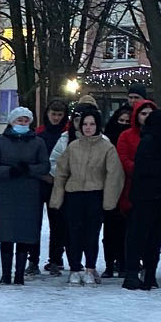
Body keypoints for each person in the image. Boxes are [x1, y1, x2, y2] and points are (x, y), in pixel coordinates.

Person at [49, 106, 123, 284]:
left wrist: (109, 200)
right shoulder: (73, 146)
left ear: (98, 125)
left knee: (92, 233)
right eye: (85, 124)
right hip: (73, 194)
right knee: (73, 233)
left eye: (92, 124)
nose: (88, 127)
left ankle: (90, 267)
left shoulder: (107, 147)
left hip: (95, 195)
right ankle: (75, 268)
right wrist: (57, 197)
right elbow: (61, 172)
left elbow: (114, 174)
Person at [0, 106, 52, 284]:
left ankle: (20, 274)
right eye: (19, 120)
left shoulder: (37, 142)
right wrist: (8, 171)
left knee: (24, 233)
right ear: (11, 121)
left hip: (29, 192)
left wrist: (29, 169)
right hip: (6, 192)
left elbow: (45, 165)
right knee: (6, 233)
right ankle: (6, 273)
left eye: (25, 120)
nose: (22, 123)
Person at [122, 105, 161, 289]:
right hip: (146, 198)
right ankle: (133, 272)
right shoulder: (149, 142)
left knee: (155, 237)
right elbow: (147, 169)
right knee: (139, 236)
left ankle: (149, 272)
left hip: (159, 198)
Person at [113, 98, 154, 278]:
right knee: (132, 230)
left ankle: (148, 265)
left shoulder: (159, 135)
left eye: (150, 114)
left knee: (151, 232)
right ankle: (129, 264)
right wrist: (139, 170)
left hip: (153, 189)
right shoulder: (127, 135)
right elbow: (123, 157)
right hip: (132, 186)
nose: (146, 117)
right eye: (143, 114)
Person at [39, 102, 71, 271]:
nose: (56, 118)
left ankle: (56, 258)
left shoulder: (66, 135)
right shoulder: (40, 133)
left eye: (60, 115)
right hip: (41, 181)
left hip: (59, 182)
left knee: (58, 223)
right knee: (35, 222)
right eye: (54, 114)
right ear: (48, 114)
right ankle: (32, 258)